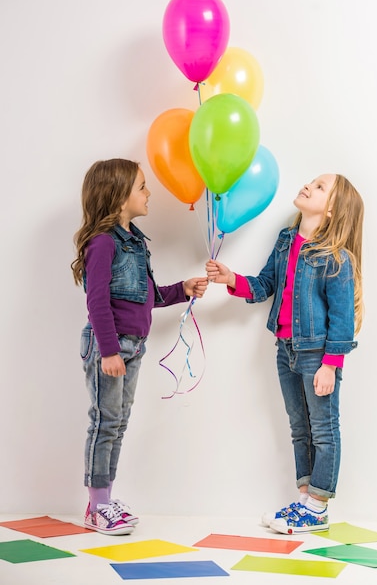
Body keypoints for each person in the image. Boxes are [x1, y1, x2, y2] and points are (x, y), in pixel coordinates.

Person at [206, 174, 363, 534]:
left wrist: (331, 364)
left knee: (323, 428)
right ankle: (305, 501)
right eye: (313, 181)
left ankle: (318, 508)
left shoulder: (336, 257)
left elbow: (342, 319)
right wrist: (231, 278)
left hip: (316, 353)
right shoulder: (285, 241)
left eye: (320, 187)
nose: (309, 185)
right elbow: (265, 285)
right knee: (299, 427)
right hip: (285, 349)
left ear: (332, 208)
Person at [71, 158, 208, 535]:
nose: (149, 194)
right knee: (105, 421)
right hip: (109, 348)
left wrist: (182, 289)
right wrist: (110, 350)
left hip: (133, 347)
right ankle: (96, 506)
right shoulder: (102, 244)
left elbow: (144, 296)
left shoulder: (135, 243)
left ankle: (105, 499)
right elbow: (96, 301)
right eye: (142, 187)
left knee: (119, 422)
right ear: (118, 196)